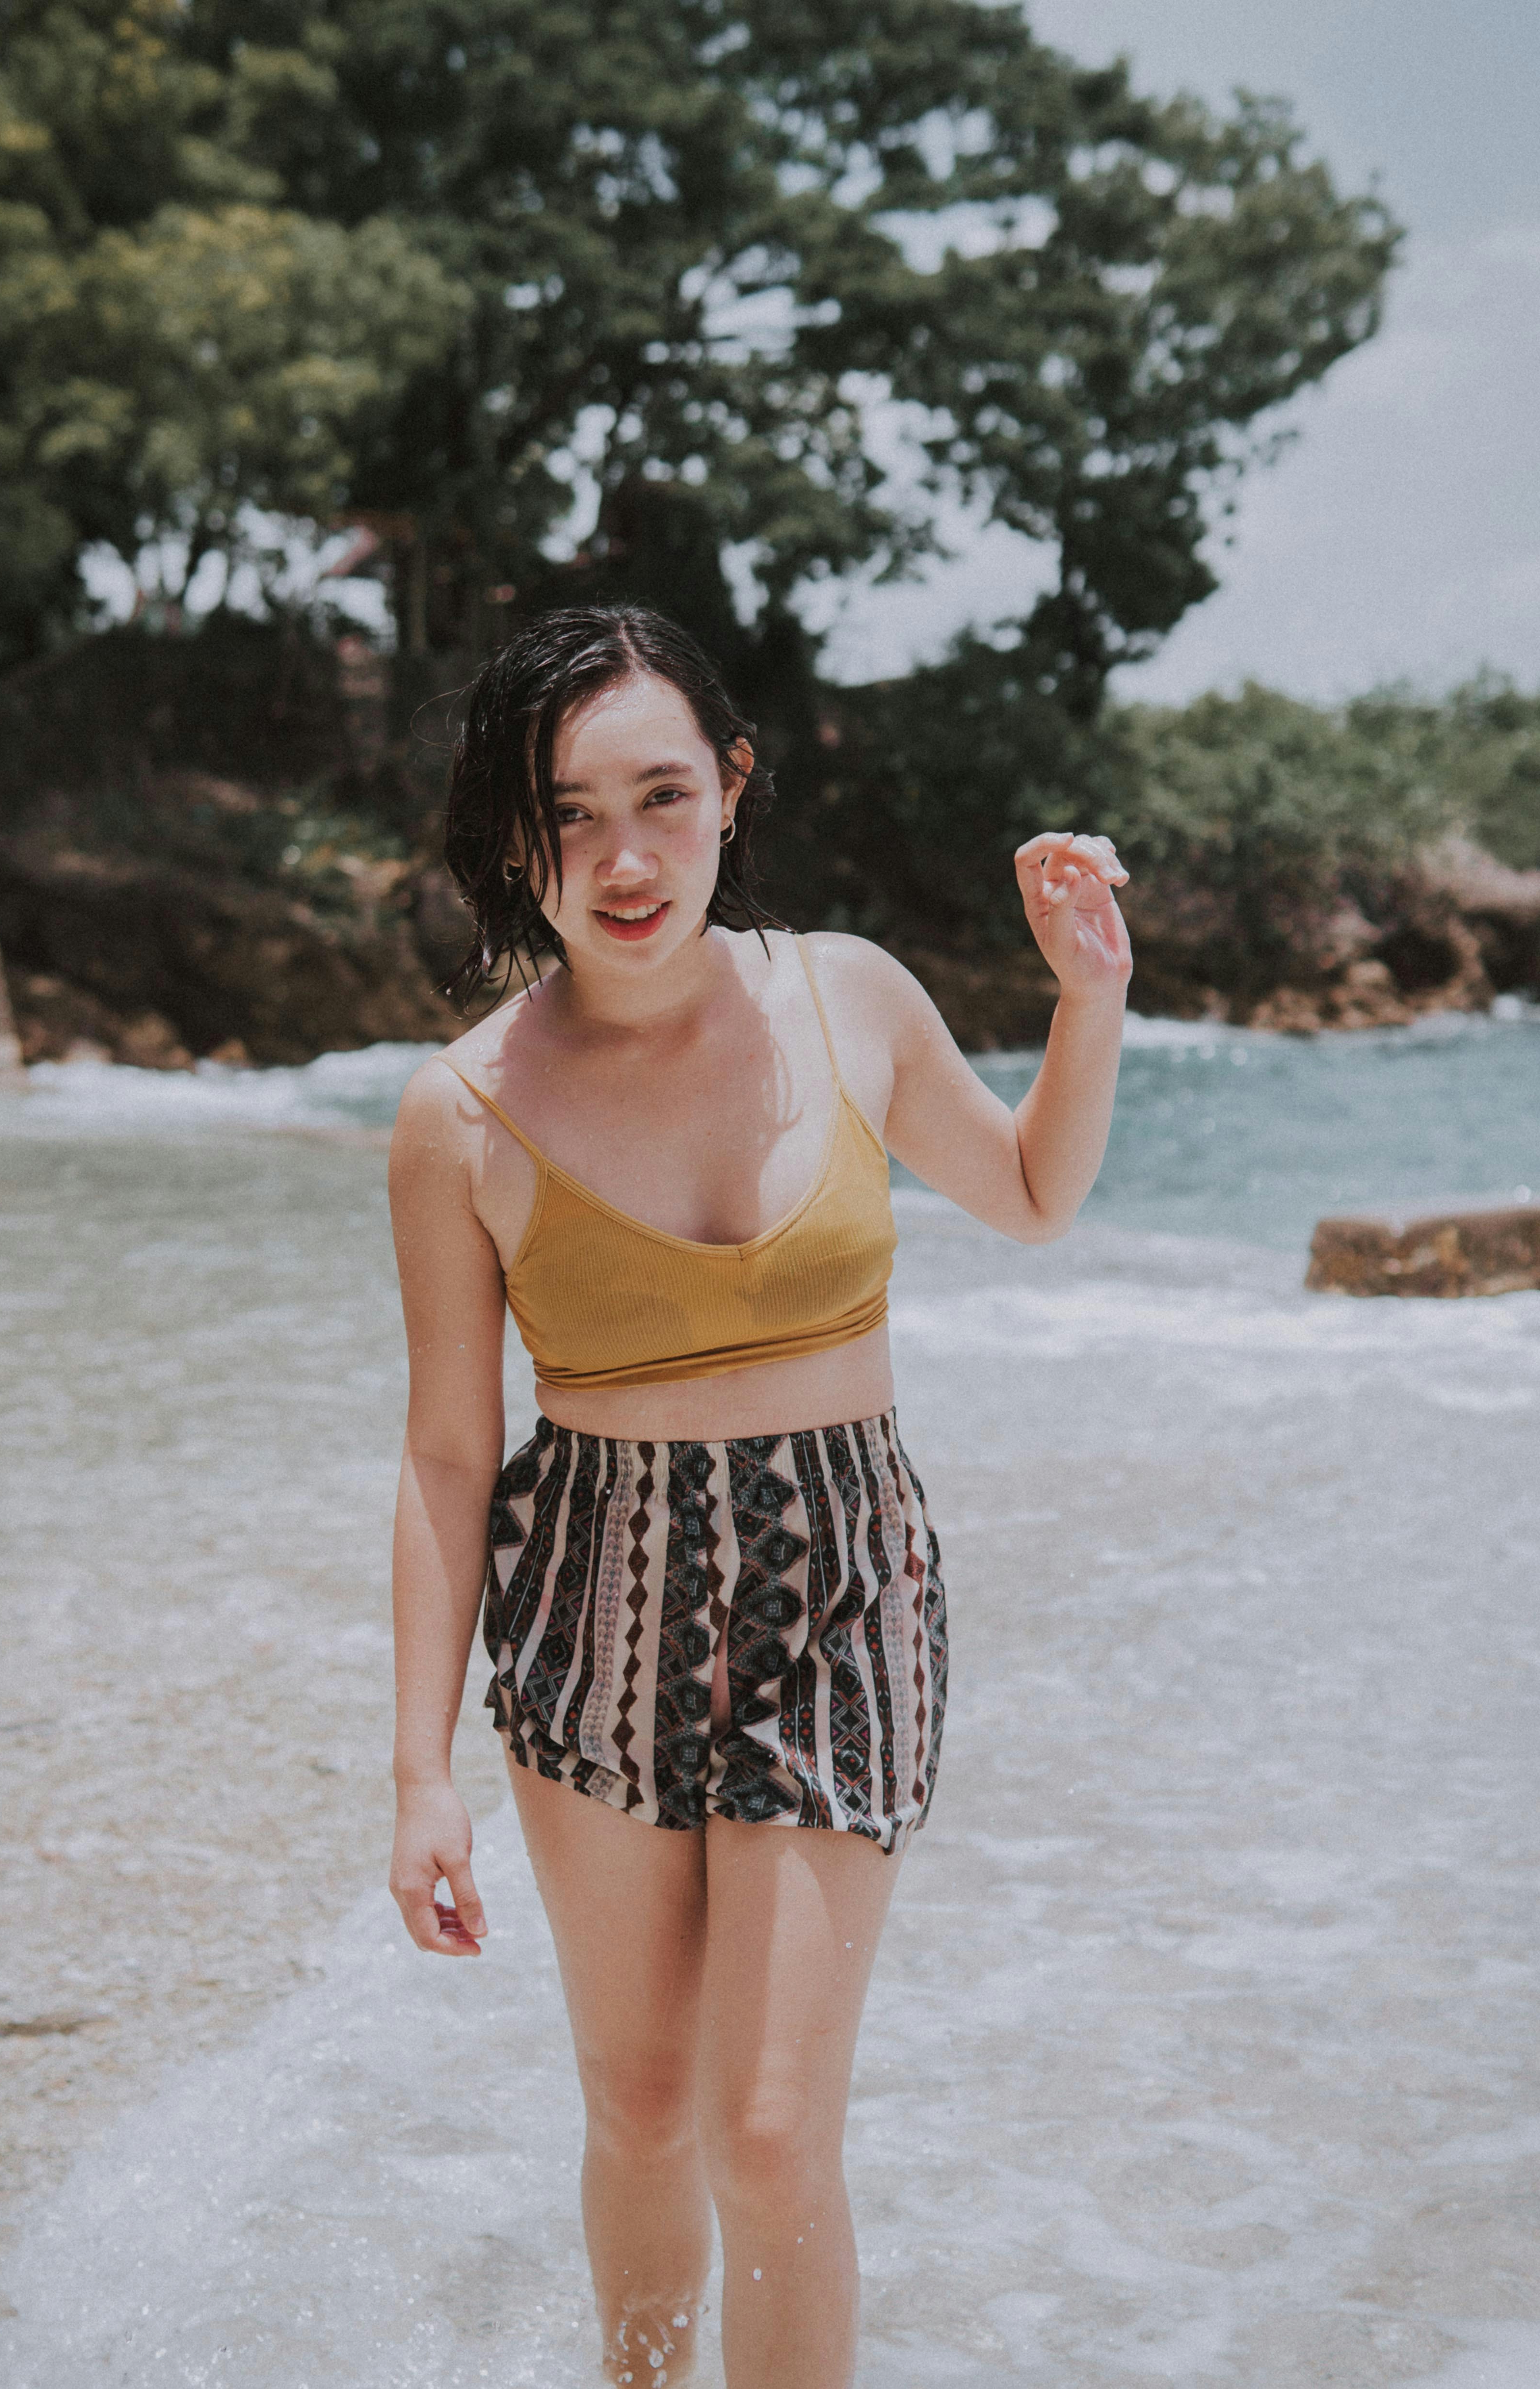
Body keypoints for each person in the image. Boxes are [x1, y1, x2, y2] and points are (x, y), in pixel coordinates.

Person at [386, 605, 1130, 2387]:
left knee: (774, 2130)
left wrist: (1088, 997)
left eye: (661, 795)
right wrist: (417, 1773)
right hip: (593, 1602)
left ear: (732, 786)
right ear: (515, 837)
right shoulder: (460, 1115)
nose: (623, 858)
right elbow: (444, 1453)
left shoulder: (849, 995)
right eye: (569, 815)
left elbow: (1031, 1193)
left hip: (845, 1588)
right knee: (642, 2113)